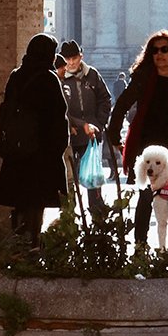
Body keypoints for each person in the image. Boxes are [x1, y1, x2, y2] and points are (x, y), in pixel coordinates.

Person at [107, 30, 168, 245]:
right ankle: (140, 246)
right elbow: (122, 104)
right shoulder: (143, 78)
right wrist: (114, 135)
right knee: (146, 196)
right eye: (155, 51)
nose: (160, 54)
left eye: (164, 49)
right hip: (148, 147)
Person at [0, 31, 70, 245]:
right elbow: (58, 117)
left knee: (19, 201)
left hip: (16, 152)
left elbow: (5, 112)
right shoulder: (49, 79)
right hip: (41, 154)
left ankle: (18, 242)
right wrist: (58, 149)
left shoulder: (16, 76)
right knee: (36, 203)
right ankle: (32, 245)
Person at [60, 39, 112, 221]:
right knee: (69, 181)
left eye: (74, 58)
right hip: (70, 137)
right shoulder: (60, 77)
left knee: (93, 180)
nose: (71, 62)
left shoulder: (92, 75)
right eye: (67, 59)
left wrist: (99, 123)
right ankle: (69, 220)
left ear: (81, 56)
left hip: (91, 137)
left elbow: (105, 100)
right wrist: (72, 124)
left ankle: (98, 219)